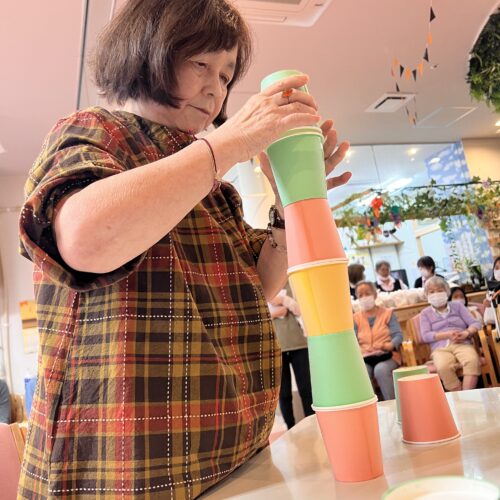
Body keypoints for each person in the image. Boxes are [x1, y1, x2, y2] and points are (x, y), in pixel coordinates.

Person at [17, 1, 351, 497]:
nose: (217, 88)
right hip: (127, 470)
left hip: (232, 458)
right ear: (149, 51)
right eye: (201, 63)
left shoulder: (212, 186)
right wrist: (230, 143)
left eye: (226, 74)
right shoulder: (97, 131)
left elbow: (257, 286)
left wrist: (287, 207)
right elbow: (86, 240)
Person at [420, 277, 481, 391]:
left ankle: (466, 395)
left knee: (472, 360)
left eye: (439, 290)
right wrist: (446, 335)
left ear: (447, 292)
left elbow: (475, 323)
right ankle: (458, 397)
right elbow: (425, 336)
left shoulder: (458, 306)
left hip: (462, 343)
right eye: (431, 292)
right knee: (443, 367)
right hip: (440, 348)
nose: (436, 294)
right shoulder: (425, 313)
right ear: (426, 295)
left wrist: (466, 333)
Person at [268, 284, 313, 429]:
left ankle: (313, 423)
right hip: (275, 346)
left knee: (306, 388)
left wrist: (285, 300)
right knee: (284, 393)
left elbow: (302, 310)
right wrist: (275, 313)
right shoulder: (264, 285)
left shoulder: (293, 283)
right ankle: (290, 427)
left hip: (298, 343)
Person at [353, 281, 403, 400]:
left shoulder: (388, 313)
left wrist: (391, 345)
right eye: (360, 295)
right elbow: (352, 341)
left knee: (380, 370)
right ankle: (369, 406)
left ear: (375, 295)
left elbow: (398, 335)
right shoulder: (355, 318)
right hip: (365, 358)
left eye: (367, 293)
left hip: (388, 356)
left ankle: (392, 404)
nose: (364, 297)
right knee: (362, 372)